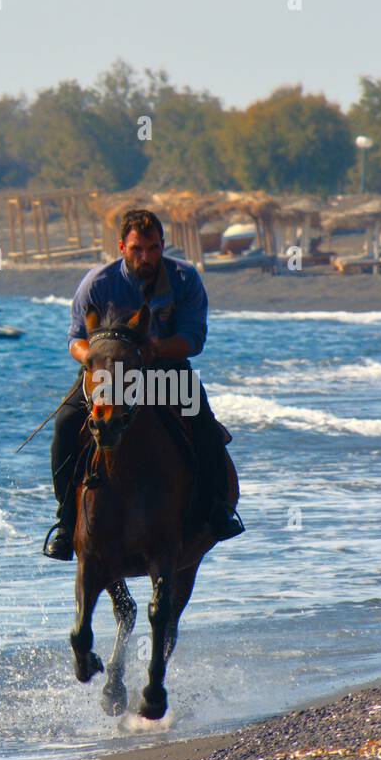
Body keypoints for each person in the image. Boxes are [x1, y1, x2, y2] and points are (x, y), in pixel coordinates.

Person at [43, 209, 245, 560]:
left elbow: (193, 338)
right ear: (122, 246)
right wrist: (94, 358)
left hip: (166, 373)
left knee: (205, 428)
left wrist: (153, 349)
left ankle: (217, 510)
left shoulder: (185, 279)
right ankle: (65, 521)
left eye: (153, 248)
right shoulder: (98, 283)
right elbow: (75, 338)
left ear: (163, 245)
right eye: (137, 249)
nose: (146, 257)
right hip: (108, 374)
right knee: (65, 424)